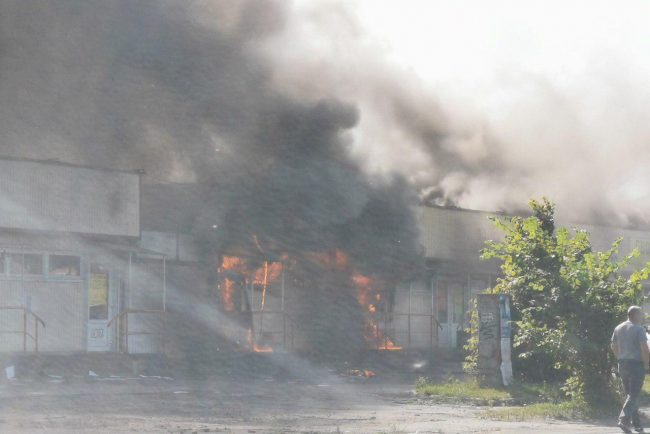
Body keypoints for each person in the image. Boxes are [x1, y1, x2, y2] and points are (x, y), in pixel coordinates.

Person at [611, 305, 649, 433]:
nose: (642, 317)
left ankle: (637, 425)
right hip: (636, 365)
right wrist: (646, 363)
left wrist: (620, 358)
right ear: (635, 315)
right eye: (641, 314)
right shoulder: (639, 329)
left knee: (630, 395)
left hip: (622, 364)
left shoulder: (618, 327)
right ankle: (623, 419)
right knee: (634, 394)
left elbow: (613, 345)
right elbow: (644, 347)